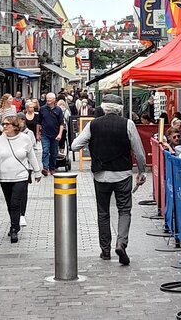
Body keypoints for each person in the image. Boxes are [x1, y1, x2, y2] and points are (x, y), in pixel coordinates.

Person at [71, 94, 147, 265]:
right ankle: (121, 243)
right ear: (120, 109)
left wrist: (92, 147)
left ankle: (105, 250)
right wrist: (141, 171)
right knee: (124, 210)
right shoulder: (128, 124)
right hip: (123, 174)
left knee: (103, 213)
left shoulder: (93, 124)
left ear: (103, 108)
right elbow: (139, 152)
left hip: (101, 174)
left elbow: (75, 146)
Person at [0, 116, 41, 243]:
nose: (5, 126)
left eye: (8, 124)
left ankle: (14, 228)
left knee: (15, 202)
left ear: (15, 126)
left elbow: (31, 156)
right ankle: (14, 222)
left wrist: (37, 171)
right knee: (9, 203)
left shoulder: (25, 139)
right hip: (5, 177)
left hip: (21, 176)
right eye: (4, 124)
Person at [17, 112, 42, 228]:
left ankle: (22, 214)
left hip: (26, 167)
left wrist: (35, 169)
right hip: (12, 168)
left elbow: (33, 151)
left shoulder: (29, 134)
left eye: (21, 120)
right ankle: (15, 214)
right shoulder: (9, 133)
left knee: (23, 191)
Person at [37, 92, 64, 175]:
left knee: (53, 152)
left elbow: (61, 123)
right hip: (45, 134)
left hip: (55, 135)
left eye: (50, 98)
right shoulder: (42, 109)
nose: (48, 100)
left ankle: (52, 167)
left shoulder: (58, 110)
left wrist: (60, 134)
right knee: (45, 150)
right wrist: (37, 134)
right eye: (47, 98)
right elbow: (38, 122)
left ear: (54, 100)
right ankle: (45, 168)